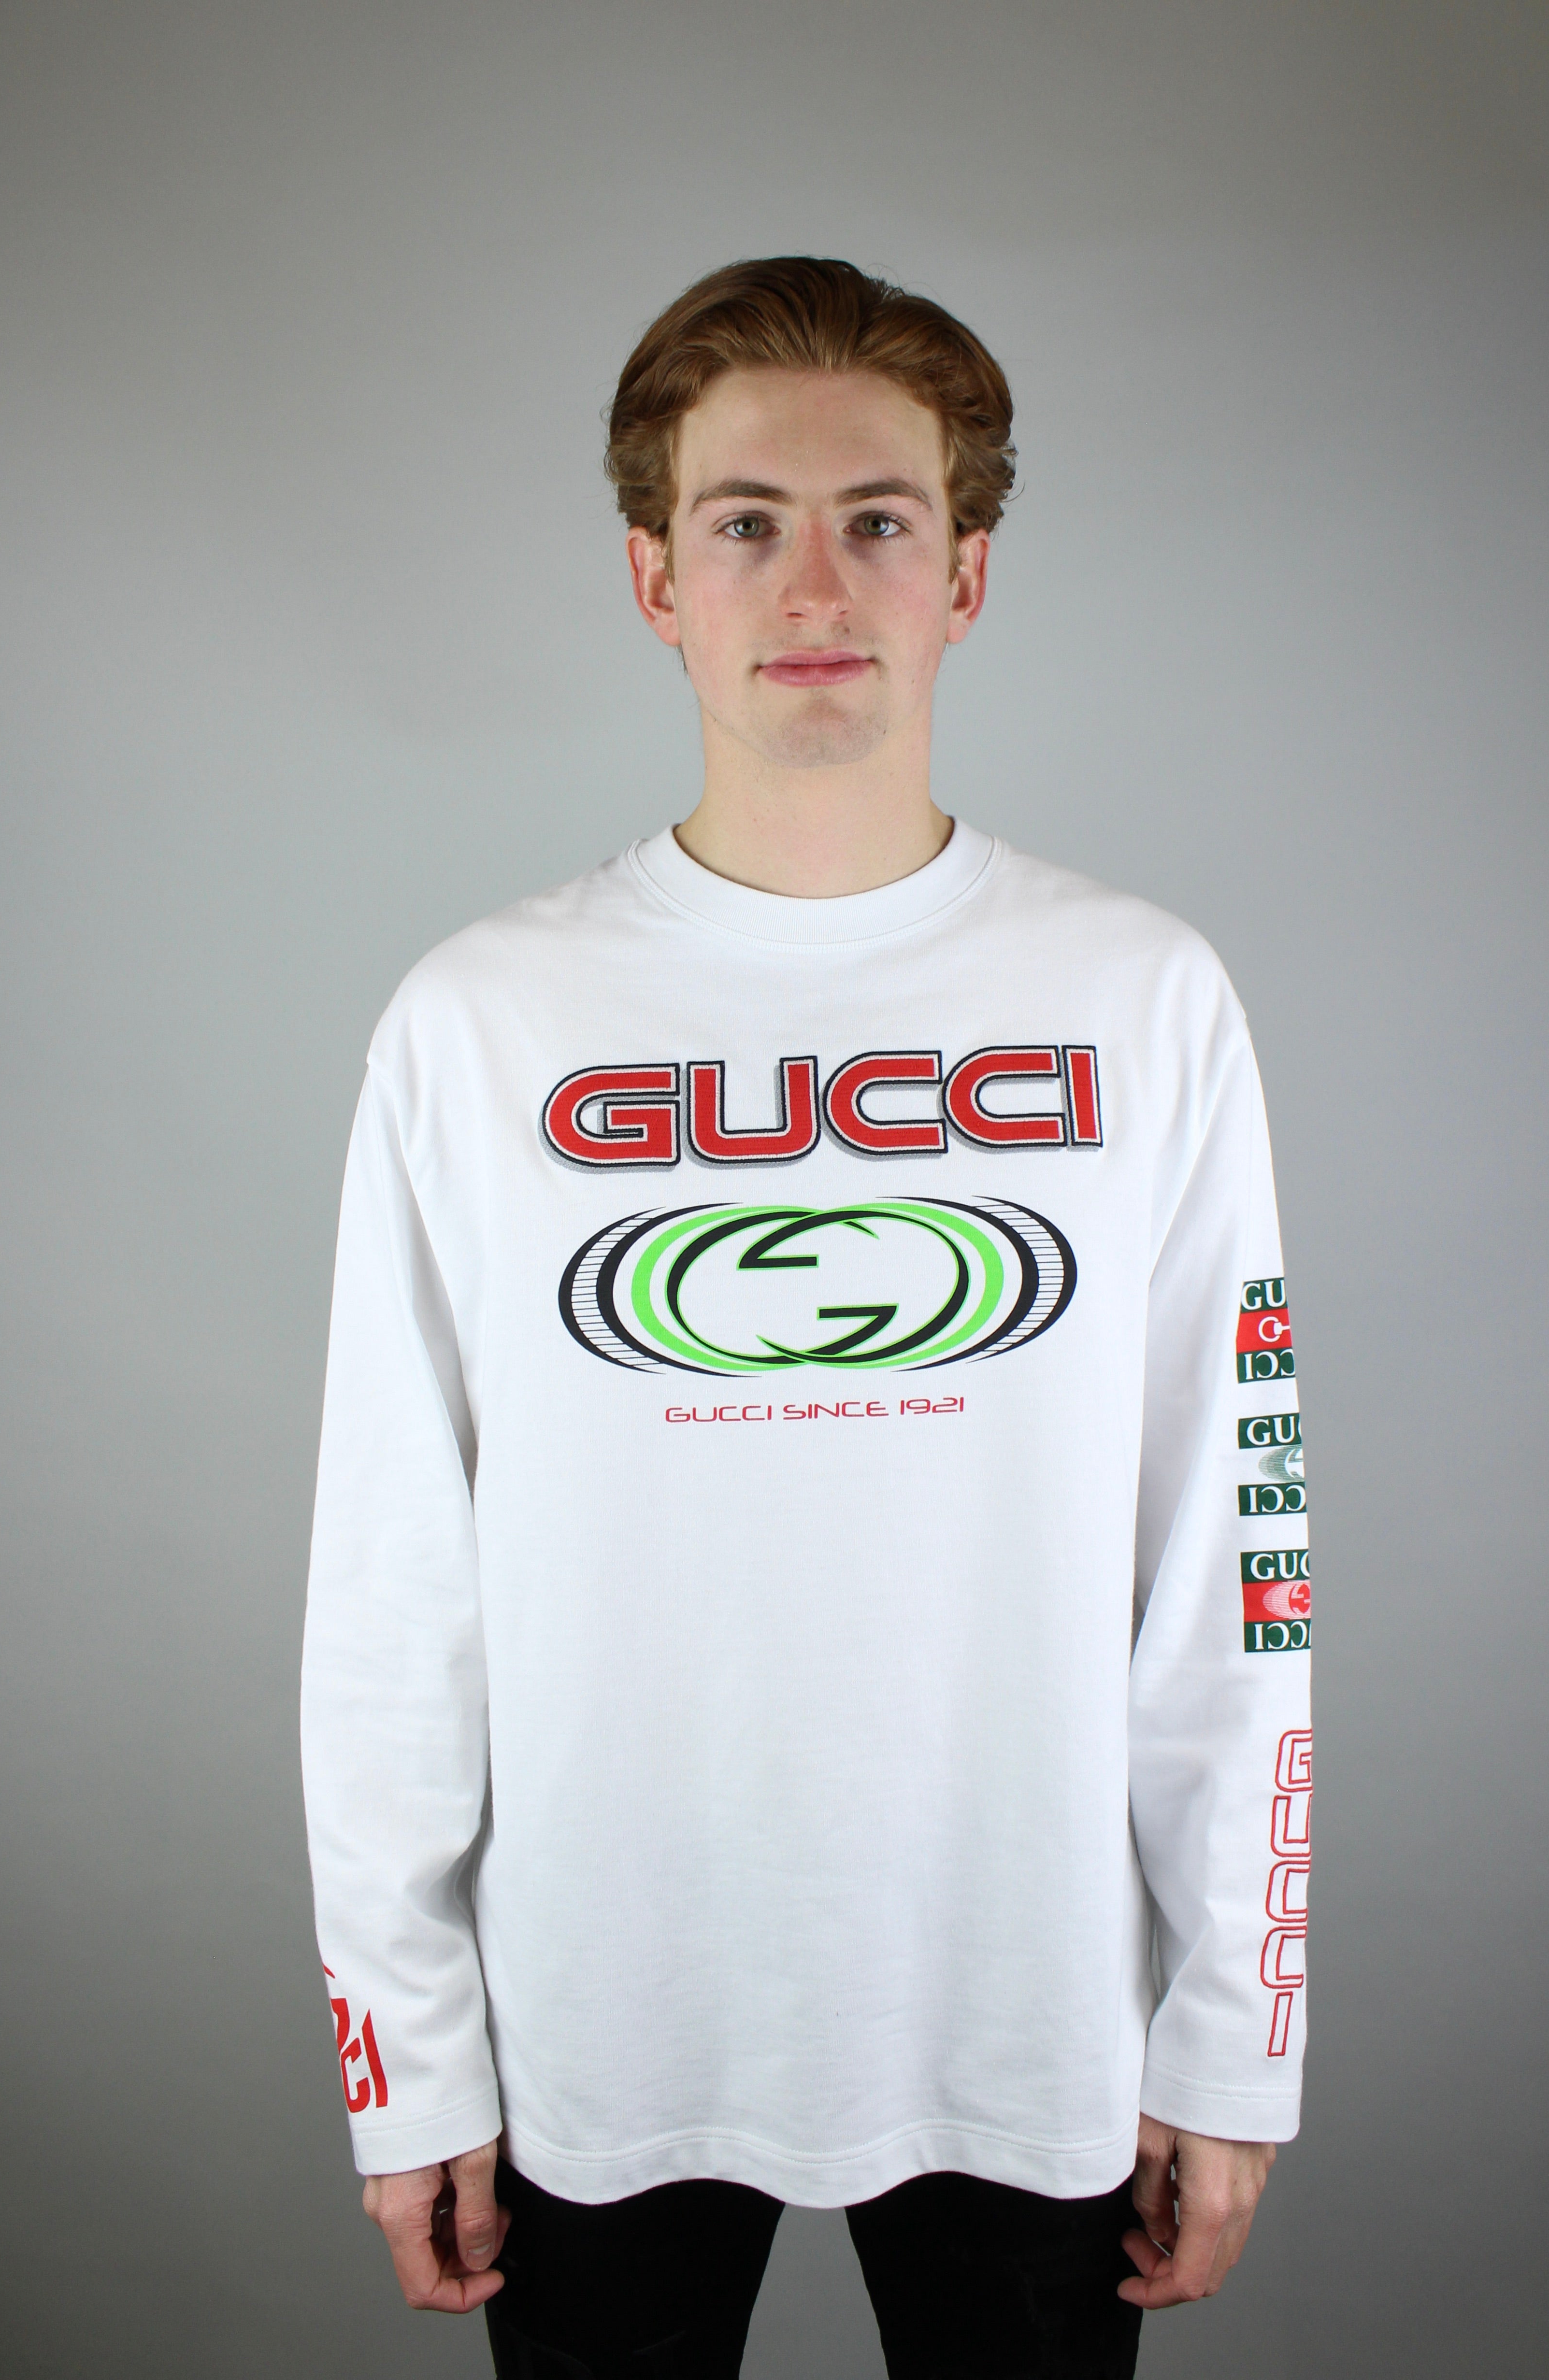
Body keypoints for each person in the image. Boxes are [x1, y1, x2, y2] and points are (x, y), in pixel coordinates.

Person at [301, 256, 1312, 2380]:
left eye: (880, 519)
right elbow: (392, 1585)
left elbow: (1239, 1552)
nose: (818, 583)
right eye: (748, 521)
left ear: (970, 573)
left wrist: (1239, 2030)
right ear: (654, 576)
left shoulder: (1141, 999)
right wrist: (407, 2050)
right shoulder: (483, 1021)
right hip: (604, 2022)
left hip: (1028, 2009)